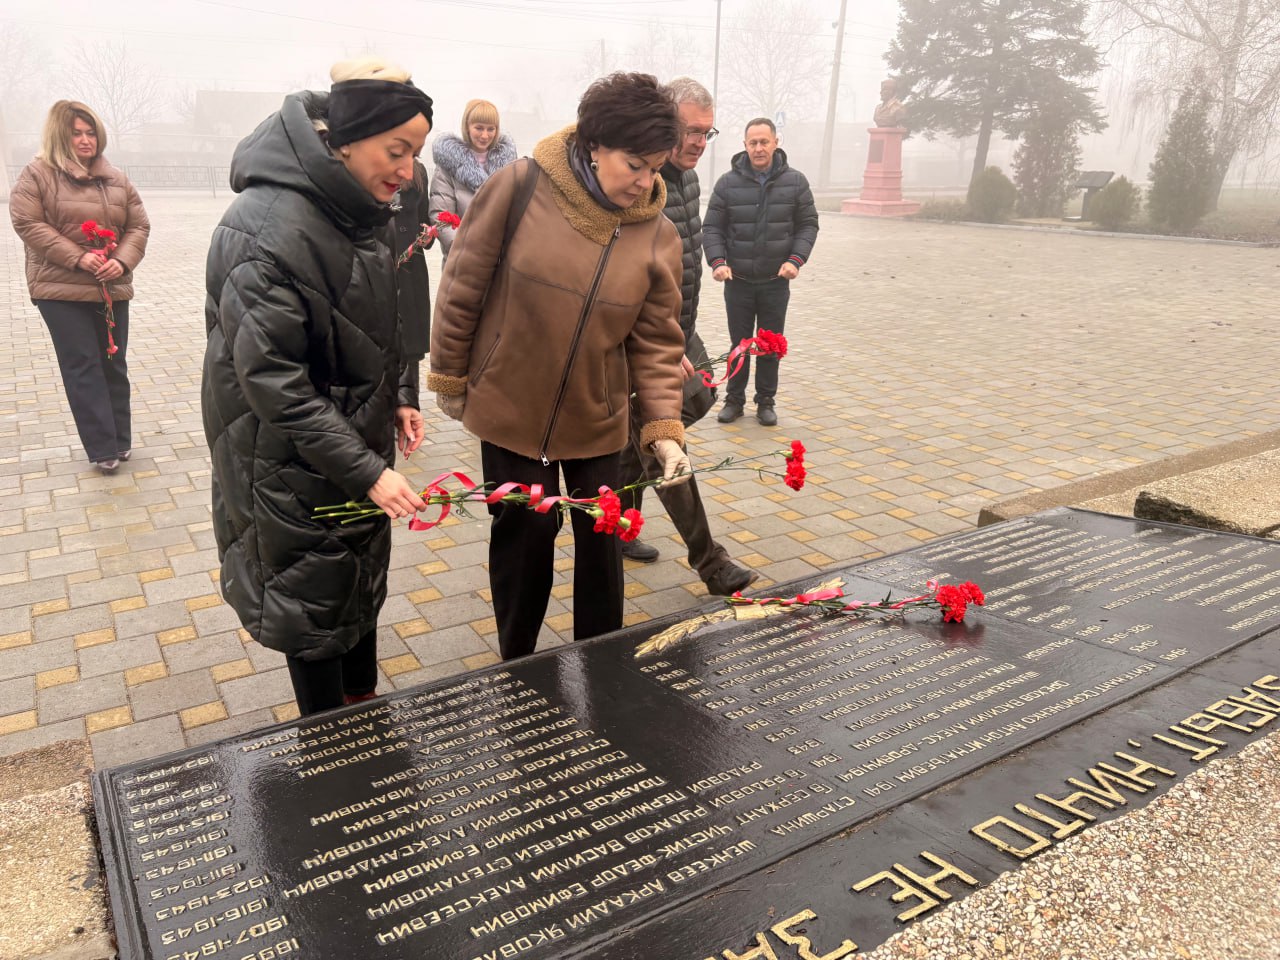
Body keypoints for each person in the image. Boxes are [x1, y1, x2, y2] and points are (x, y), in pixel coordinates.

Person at [429, 72, 692, 662]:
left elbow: (655, 344)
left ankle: (603, 665)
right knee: (524, 540)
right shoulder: (520, 187)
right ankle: (517, 662)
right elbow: (463, 282)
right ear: (595, 144)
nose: (647, 181)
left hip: (596, 418)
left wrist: (664, 431)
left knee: (603, 547)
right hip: (510, 407)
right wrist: (449, 373)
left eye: (656, 167)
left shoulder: (657, 234)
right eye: (635, 164)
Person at [202, 57, 433, 716]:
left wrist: (402, 395)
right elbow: (272, 380)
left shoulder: (361, 210)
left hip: (347, 446)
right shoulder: (266, 227)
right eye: (397, 150)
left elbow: (383, 322)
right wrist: (367, 469)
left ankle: (362, 710)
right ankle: (330, 743)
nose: (407, 170)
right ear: (346, 140)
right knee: (312, 602)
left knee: (353, 583)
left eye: (414, 153)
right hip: (283, 456)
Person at [615, 77, 758, 597]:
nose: (699, 141)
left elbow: (682, 263)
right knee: (663, 438)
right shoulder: (639, 183)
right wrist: (661, 349)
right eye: (690, 130)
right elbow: (627, 276)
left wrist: (683, 337)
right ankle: (710, 562)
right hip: (644, 338)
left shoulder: (689, 181)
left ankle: (618, 523)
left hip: (680, 326)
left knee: (697, 401)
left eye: (707, 131)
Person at [10, 100, 150, 473]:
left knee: (113, 363)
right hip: (60, 290)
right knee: (83, 365)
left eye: (90, 133)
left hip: (111, 287)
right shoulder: (36, 175)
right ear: (60, 135)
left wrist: (121, 261)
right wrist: (77, 256)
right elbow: (27, 222)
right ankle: (102, 448)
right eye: (76, 133)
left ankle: (121, 440)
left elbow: (138, 226)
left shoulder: (117, 178)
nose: (85, 140)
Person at [704, 117, 819, 427]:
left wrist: (795, 259)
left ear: (775, 142)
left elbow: (808, 225)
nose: (758, 148)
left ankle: (766, 401)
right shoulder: (728, 184)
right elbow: (712, 226)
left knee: (770, 344)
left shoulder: (796, 182)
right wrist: (717, 261)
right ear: (745, 146)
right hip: (737, 282)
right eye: (752, 143)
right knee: (739, 344)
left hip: (774, 282)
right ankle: (735, 400)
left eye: (763, 142)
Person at [428, 99, 518, 259]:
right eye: (479, 128)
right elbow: (440, 216)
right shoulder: (447, 166)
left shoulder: (510, 167)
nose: (485, 135)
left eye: (491, 129)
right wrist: (467, 251)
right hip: (463, 259)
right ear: (467, 127)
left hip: (502, 261)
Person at [393, 158, 433, 366]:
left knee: (410, 351)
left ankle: (410, 398)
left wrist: (427, 236)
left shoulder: (418, 170)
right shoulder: (371, 163)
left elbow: (423, 217)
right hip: (383, 263)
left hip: (412, 264)